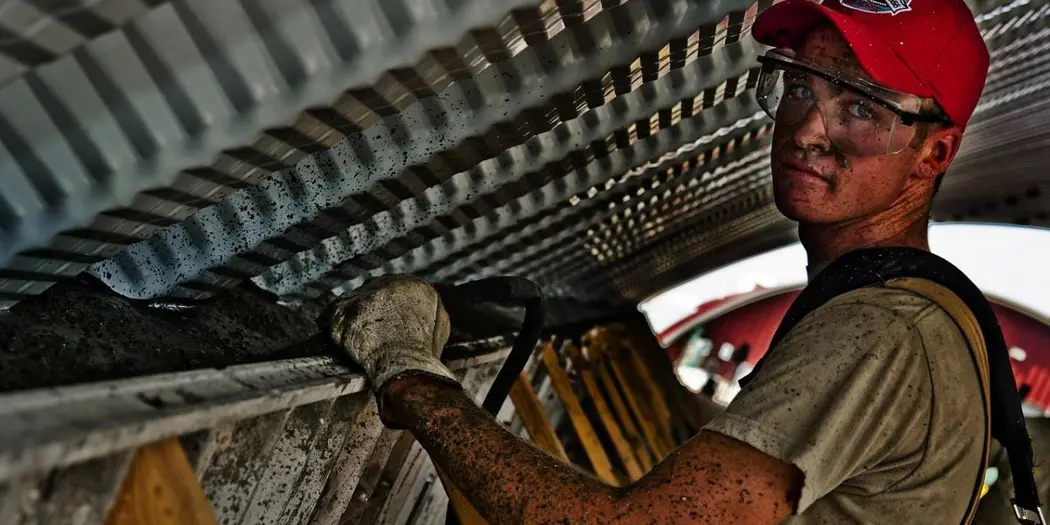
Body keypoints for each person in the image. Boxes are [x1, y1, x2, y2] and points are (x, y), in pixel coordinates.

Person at [321, 0, 992, 522]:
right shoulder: (934, 316)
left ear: (935, 152)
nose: (809, 128)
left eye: (862, 109)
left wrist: (409, 372)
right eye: (799, 87)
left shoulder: (882, 332)